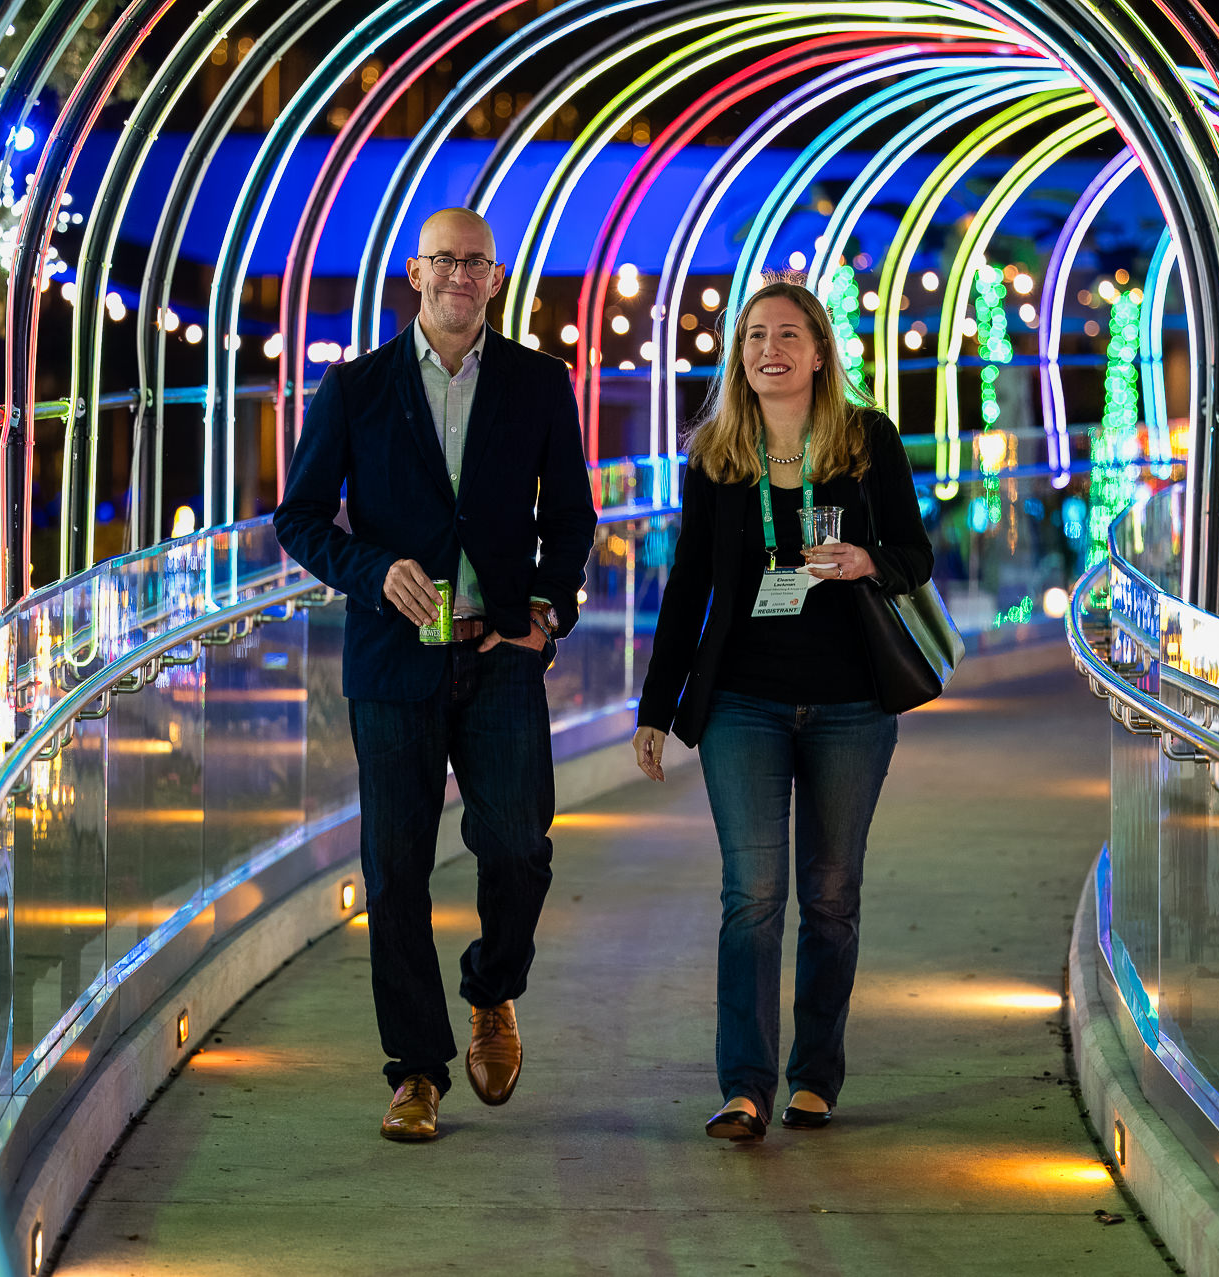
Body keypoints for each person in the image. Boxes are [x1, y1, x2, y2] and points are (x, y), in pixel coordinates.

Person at [274, 207, 596, 1141]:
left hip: (500, 657)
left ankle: (494, 990)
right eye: (444, 260)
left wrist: (545, 610)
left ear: (496, 280)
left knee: (519, 845)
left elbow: (570, 517)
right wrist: (375, 572)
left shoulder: (540, 383)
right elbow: (297, 520)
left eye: (477, 263)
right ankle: (416, 1068)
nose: (460, 275)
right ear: (415, 273)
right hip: (392, 661)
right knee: (397, 867)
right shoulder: (355, 387)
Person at [631, 279, 933, 1141]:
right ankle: (745, 1085)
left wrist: (867, 560)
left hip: (849, 703)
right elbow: (687, 586)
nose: (771, 349)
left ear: (820, 350)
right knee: (752, 895)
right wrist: (659, 706)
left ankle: (815, 1076)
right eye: (756, 335)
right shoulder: (719, 451)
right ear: (741, 354)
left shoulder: (867, 441)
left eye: (789, 335)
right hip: (742, 703)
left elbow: (917, 553)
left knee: (831, 897)